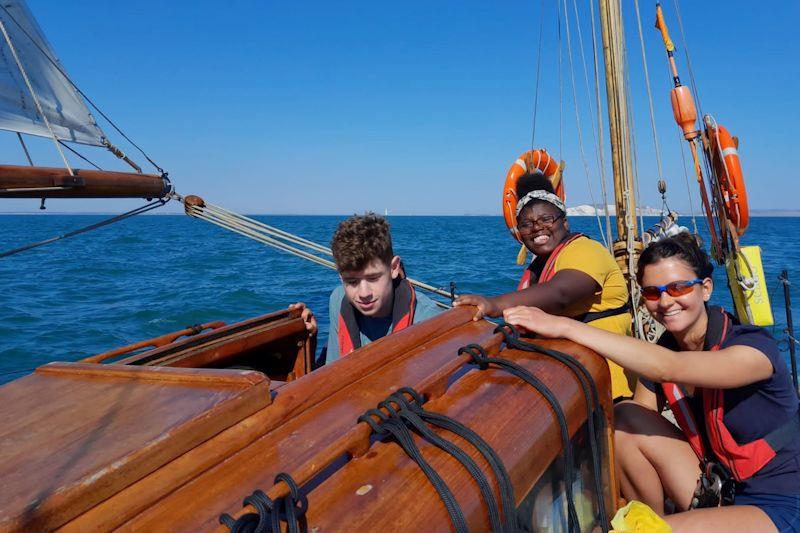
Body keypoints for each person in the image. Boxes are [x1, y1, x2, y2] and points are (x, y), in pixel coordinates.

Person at [503, 233, 800, 532]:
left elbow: (669, 368)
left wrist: (563, 325)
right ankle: (646, 519)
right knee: (625, 419)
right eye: (653, 293)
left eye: (678, 287)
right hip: (721, 488)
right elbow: (636, 424)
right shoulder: (667, 347)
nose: (666, 301)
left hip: (781, 501)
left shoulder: (753, 350)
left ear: (706, 289)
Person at [454, 173, 634, 398]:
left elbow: (561, 293)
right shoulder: (540, 266)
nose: (537, 228)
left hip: (609, 389)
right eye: (527, 224)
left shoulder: (587, 250)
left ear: (565, 222)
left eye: (546, 219)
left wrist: (493, 304)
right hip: (566, 384)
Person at [293, 213, 441, 365]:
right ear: (341, 277)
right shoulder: (338, 299)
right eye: (352, 282)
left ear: (394, 267)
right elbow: (331, 371)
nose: (364, 293)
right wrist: (309, 341)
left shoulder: (429, 319)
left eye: (373, 278)